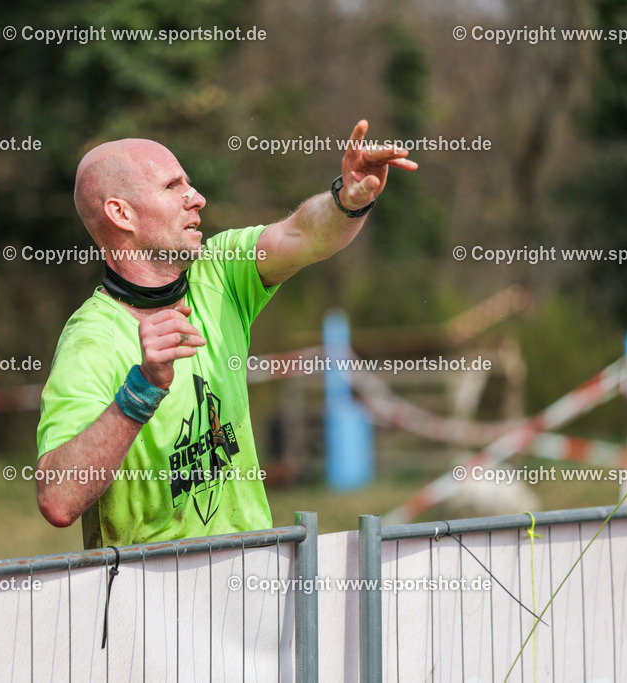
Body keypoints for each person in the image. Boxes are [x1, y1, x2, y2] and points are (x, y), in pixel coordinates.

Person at [36, 120, 417, 549]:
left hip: (250, 586)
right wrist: (140, 390)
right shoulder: (91, 341)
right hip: (150, 603)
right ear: (121, 213)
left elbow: (302, 233)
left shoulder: (220, 271)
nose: (197, 198)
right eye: (172, 186)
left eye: (191, 184)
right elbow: (58, 500)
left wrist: (346, 200)